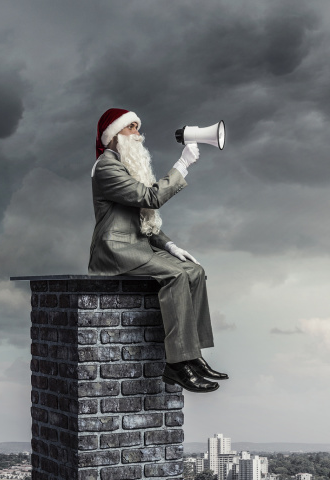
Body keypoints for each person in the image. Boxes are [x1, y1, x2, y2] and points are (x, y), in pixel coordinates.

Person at [88, 107, 226, 393]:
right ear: (114, 135)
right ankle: (177, 364)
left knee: (195, 272)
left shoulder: (125, 167)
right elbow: (149, 199)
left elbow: (142, 220)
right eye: (132, 128)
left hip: (138, 245)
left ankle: (193, 354)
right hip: (115, 249)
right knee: (175, 275)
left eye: (138, 128)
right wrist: (182, 165)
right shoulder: (106, 167)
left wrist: (171, 245)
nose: (139, 134)